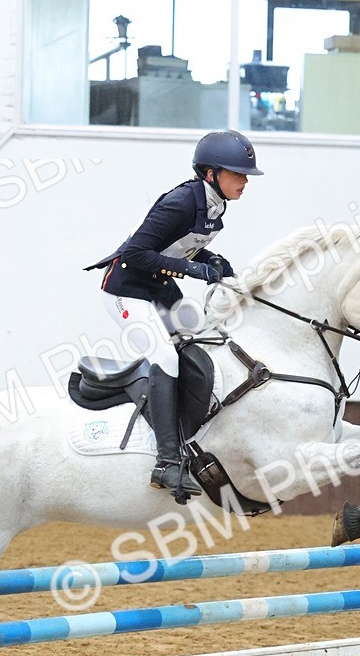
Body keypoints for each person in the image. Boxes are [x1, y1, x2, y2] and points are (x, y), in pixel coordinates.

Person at [88, 129, 263, 498]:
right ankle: (165, 463)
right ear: (210, 173)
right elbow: (136, 252)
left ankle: (196, 432)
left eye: (246, 175)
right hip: (126, 291)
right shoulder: (181, 201)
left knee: (205, 340)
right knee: (165, 354)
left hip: (159, 287)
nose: (245, 181)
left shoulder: (215, 205)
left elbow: (179, 247)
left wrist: (209, 258)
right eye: (237, 173)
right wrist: (193, 270)